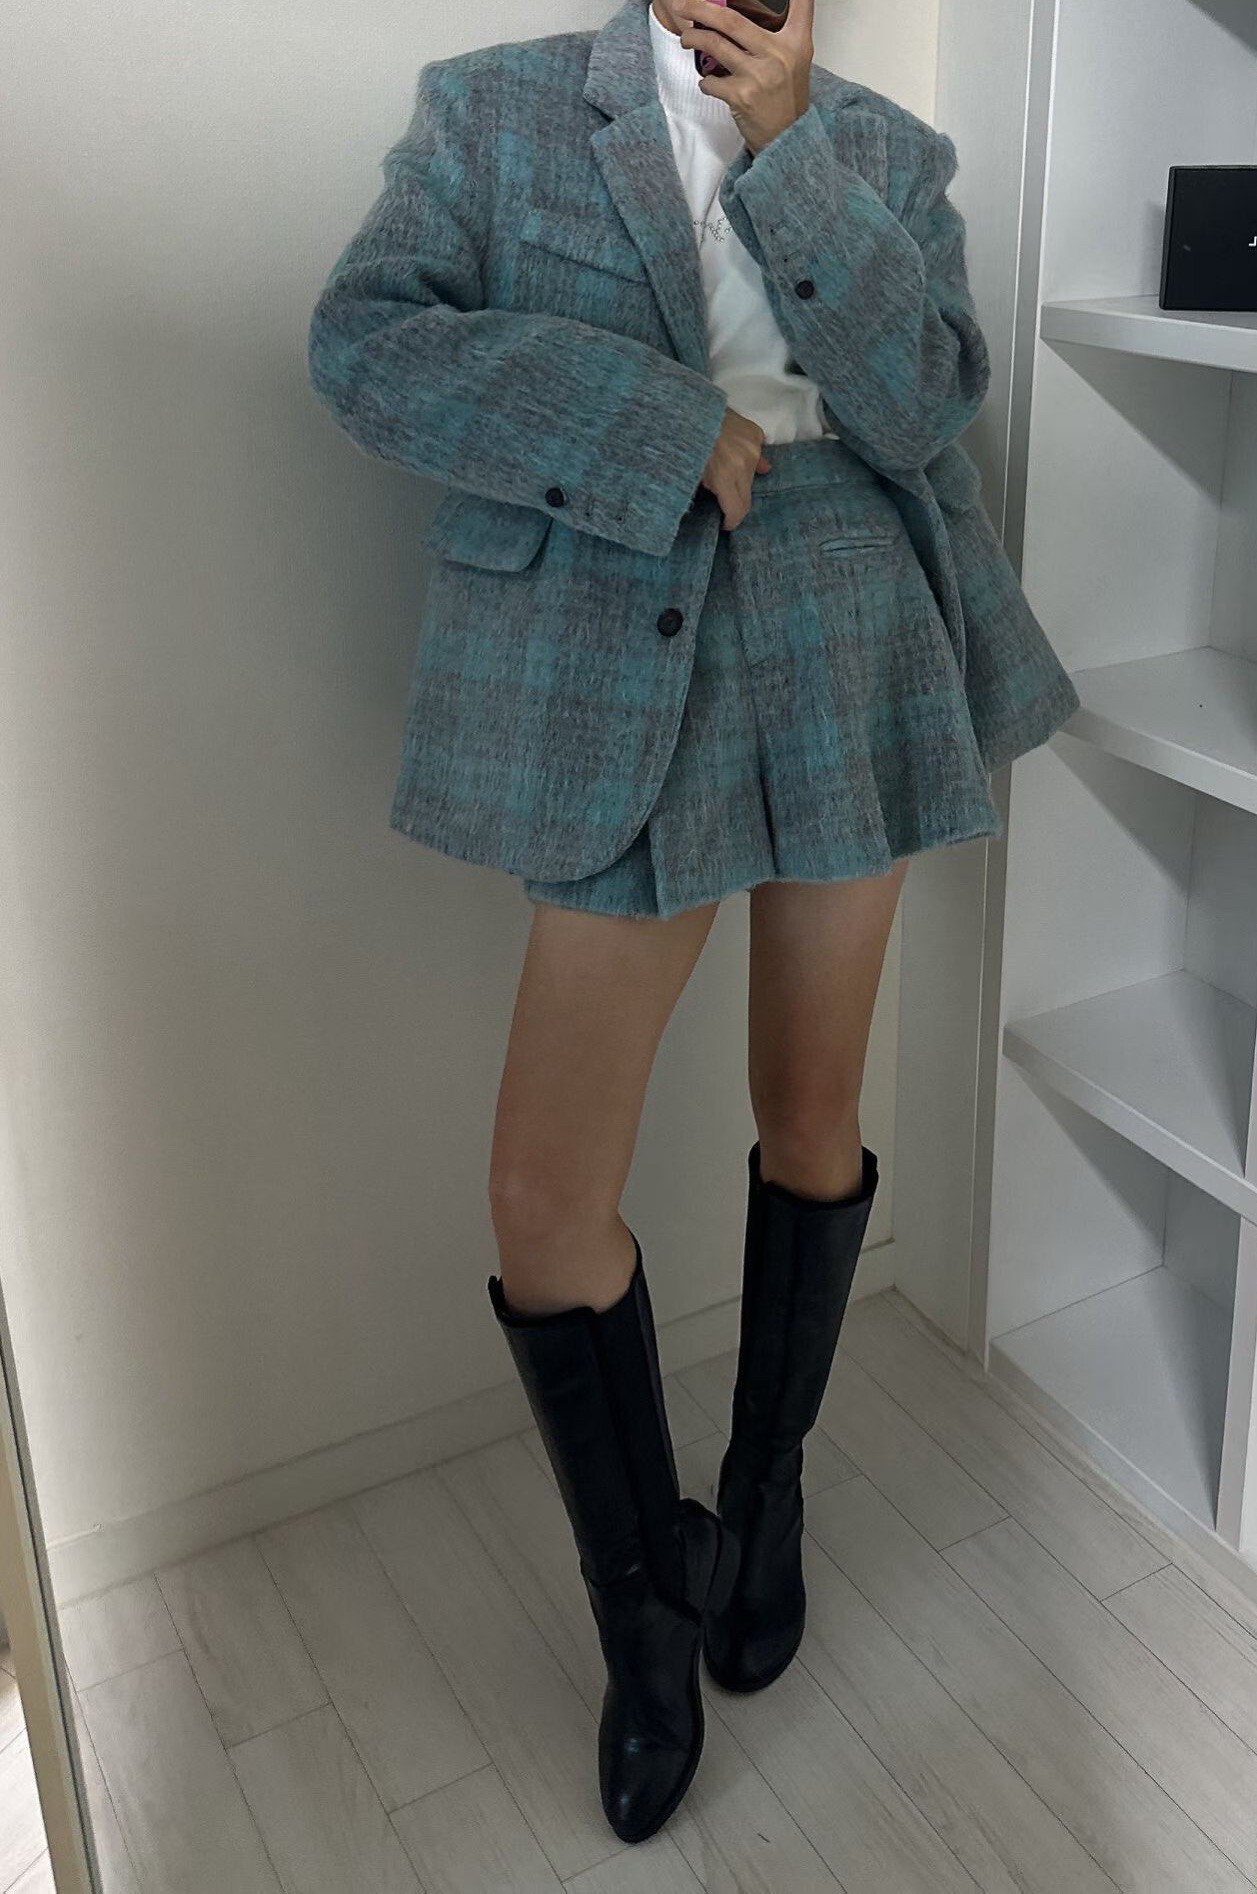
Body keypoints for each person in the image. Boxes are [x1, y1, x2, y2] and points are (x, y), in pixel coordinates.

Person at [308, 0, 1079, 1846]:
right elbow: (366, 345)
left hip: (850, 617)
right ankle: (645, 1607)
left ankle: (768, 1492)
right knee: (541, 1192)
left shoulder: (882, 148)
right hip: (619, 620)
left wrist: (794, 146)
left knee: (810, 1112)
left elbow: (921, 403)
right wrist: (650, 421)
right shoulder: (493, 113)